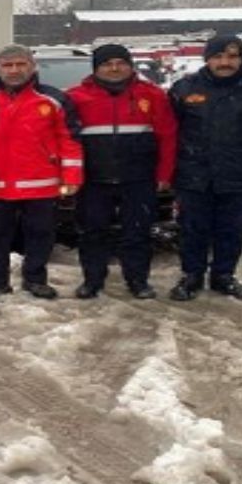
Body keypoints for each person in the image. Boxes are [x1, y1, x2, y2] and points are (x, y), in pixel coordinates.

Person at [167, 36, 242, 301]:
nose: (225, 62)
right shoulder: (184, 89)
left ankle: (224, 276)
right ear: (207, 59)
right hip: (194, 173)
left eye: (232, 57)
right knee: (192, 229)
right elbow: (170, 134)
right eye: (218, 56)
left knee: (232, 229)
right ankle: (191, 276)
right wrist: (169, 171)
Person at [0, 44, 84, 303]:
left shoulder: (54, 100)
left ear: (32, 66)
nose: (14, 70)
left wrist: (72, 176)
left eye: (20, 64)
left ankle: (35, 280)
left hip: (41, 183)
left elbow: (70, 140)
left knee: (40, 236)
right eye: (7, 65)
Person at [64, 44, 176, 299]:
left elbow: (167, 137)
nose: (114, 68)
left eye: (120, 63)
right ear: (96, 68)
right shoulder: (75, 97)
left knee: (137, 232)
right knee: (92, 232)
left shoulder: (153, 95)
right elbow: (66, 139)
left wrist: (164, 174)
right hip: (93, 180)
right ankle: (92, 280)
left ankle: (138, 280)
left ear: (130, 65)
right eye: (106, 64)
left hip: (138, 178)